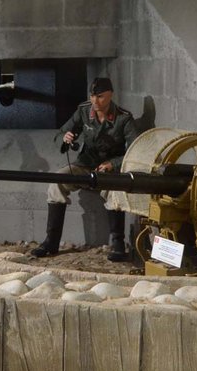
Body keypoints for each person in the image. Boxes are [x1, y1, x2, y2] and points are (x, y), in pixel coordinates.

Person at [31, 77, 140, 261]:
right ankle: (51, 242)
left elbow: (135, 151)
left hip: (110, 171)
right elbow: (59, 134)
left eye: (100, 97)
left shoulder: (123, 118)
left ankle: (118, 243)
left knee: (113, 192)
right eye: (92, 96)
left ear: (110, 95)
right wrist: (66, 138)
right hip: (85, 165)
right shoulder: (83, 111)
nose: (95, 101)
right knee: (57, 183)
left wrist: (112, 164)